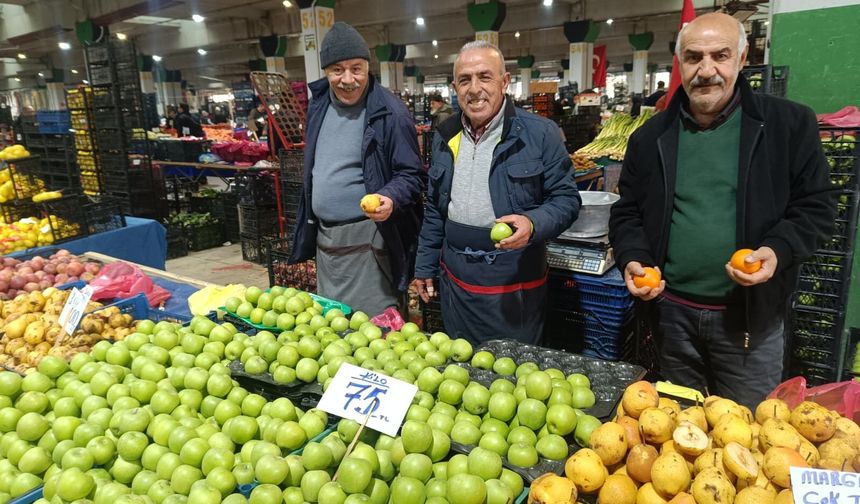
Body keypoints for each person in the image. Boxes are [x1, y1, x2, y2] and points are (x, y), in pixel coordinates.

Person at [609, 13, 836, 409]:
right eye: (694, 57)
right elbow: (627, 212)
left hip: (750, 322)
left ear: (743, 58)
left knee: (748, 431)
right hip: (671, 319)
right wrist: (634, 258)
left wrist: (777, 250)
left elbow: (816, 208)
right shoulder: (651, 137)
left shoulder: (787, 125)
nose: (707, 70)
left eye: (721, 56)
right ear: (680, 63)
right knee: (681, 429)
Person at [414, 41, 581, 345]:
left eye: (485, 76)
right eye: (465, 79)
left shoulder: (540, 134)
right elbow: (435, 210)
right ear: (455, 87)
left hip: (514, 288)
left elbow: (567, 200)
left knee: (512, 372)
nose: (474, 88)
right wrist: (424, 264)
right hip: (457, 284)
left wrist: (533, 224)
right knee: (460, 364)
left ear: (505, 82)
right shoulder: (443, 136)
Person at [289, 22, 425, 317]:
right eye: (337, 70)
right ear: (325, 71)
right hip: (326, 244)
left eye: (356, 68)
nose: (347, 79)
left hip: (371, 244)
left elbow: (412, 175)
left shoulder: (390, 112)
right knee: (334, 324)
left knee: (374, 331)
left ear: (367, 67)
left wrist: (390, 196)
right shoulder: (319, 106)